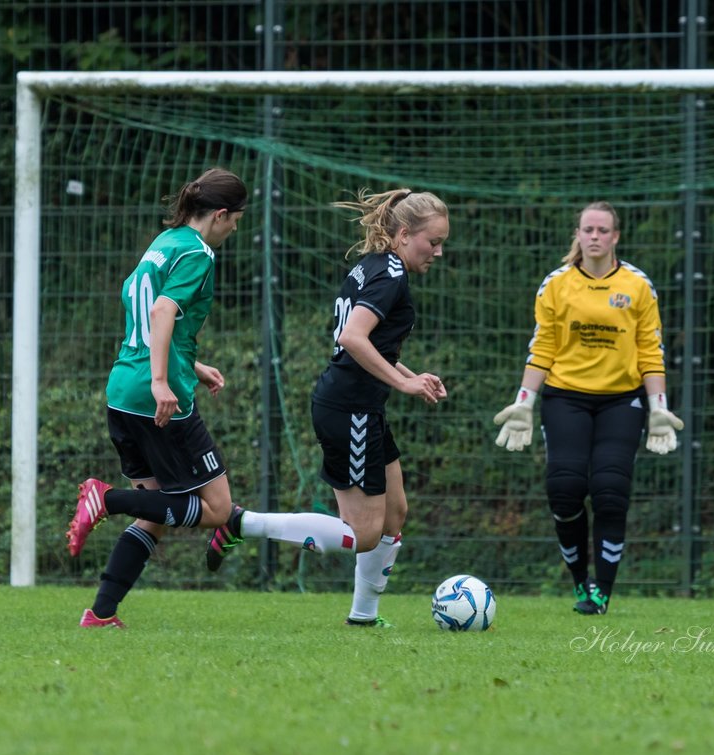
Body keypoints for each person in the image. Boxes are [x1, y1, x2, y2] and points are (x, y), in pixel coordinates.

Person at [68, 168, 358, 628]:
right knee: (218, 509)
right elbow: (163, 310)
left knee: (158, 511)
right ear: (221, 214)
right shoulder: (198, 253)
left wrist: (190, 363)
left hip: (122, 390)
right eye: (236, 221)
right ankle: (106, 499)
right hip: (158, 397)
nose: (235, 229)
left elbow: (141, 307)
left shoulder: (164, 242)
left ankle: (101, 613)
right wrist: (163, 379)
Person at [204, 188, 451, 628]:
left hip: (362, 405)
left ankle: (363, 617)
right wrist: (403, 383)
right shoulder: (390, 275)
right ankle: (244, 523)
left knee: (395, 514)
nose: (438, 251)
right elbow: (351, 339)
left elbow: (368, 344)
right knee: (362, 535)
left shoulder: (374, 266)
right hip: (350, 408)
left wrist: (408, 376)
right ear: (403, 233)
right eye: (432, 242)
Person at [493, 201, 683, 616]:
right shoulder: (556, 285)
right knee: (565, 491)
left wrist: (658, 407)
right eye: (587, 230)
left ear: (616, 237)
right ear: (577, 235)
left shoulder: (637, 285)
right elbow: (542, 347)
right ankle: (581, 581)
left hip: (621, 400)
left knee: (611, 492)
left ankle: (602, 592)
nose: (594, 237)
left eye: (602, 230)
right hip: (566, 398)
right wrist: (524, 401)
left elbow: (651, 350)